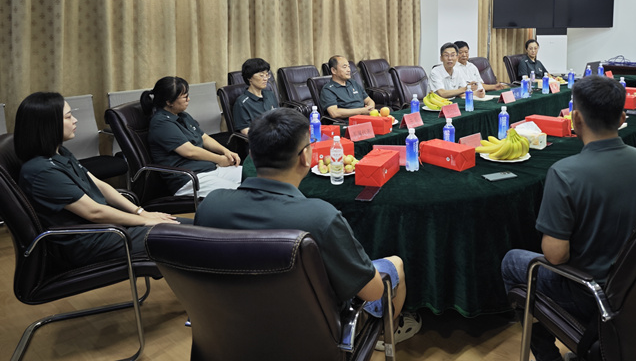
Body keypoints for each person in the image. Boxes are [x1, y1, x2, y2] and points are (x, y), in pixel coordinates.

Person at [194, 108, 421, 347]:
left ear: (252, 154)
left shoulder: (211, 206)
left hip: (229, 331)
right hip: (308, 336)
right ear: (305, 157)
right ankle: (390, 332)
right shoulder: (320, 217)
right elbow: (373, 292)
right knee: (395, 264)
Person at [501, 76, 636, 361]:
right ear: (623, 118)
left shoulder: (565, 173)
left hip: (590, 294)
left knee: (512, 261)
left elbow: (555, 256)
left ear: (575, 119)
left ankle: (548, 357)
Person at [15, 92, 181, 266]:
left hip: (108, 230)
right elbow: (94, 213)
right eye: (68, 117)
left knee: (186, 226)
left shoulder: (59, 153)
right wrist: (146, 221)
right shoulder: (42, 171)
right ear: (48, 124)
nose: (75, 120)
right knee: (187, 238)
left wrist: (141, 212)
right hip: (91, 242)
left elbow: (100, 185)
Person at [143, 76, 242, 197]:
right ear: (169, 102)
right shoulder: (161, 123)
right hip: (190, 178)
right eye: (185, 97)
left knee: (255, 179)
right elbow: (189, 152)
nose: (188, 99)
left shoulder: (182, 115)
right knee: (242, 194)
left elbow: (204, 138)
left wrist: (226, 152)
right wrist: (220, 159)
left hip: (210, 168)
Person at [232, 58, 278, 134]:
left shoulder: (270, 94)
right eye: (261, 75)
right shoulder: (242, 103)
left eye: (267, 75)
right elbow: (246, 131)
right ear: (249, 78)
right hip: (261, 138)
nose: (265, 79)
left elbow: (279, 118)